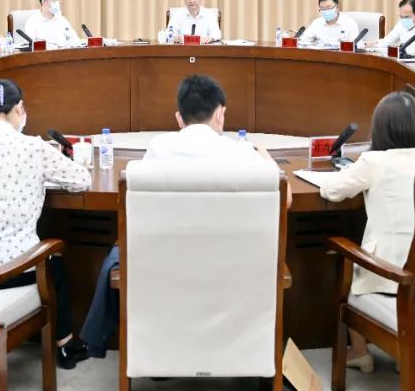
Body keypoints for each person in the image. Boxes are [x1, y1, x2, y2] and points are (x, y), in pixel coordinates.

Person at [79, 74, 272, 358]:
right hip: (229, 264)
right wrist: (265, 155)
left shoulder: (159, 148)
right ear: (220, 113)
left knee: (118, 253)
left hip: (163, 262)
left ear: (179, 118)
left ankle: (100, 342)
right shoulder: (241, 152)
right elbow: (284, 198)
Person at [0, 79, 92, 369]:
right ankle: (65, 345)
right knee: (53, 259)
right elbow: (82, 180)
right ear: (20, 109)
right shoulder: (34, 148)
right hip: (15, 271)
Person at [318, 92, 415, 374]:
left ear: (379, 129)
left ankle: (360, 352)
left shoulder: (373, 162)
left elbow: (331, 191)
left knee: (349, 269)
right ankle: (406, 351)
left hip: (388, 275)